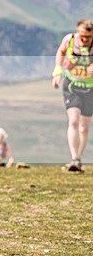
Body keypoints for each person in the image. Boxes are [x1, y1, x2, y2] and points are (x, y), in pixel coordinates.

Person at [52, 18, 93, 172]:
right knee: (73, 121)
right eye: (82, 36)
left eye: (88, 37)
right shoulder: (69, 40)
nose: (84, 40)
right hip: (72, 86)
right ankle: (74, 159)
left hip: (90, 89)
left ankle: (78, 159)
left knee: (84, 127)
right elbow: (61, 52)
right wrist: (58, 71)